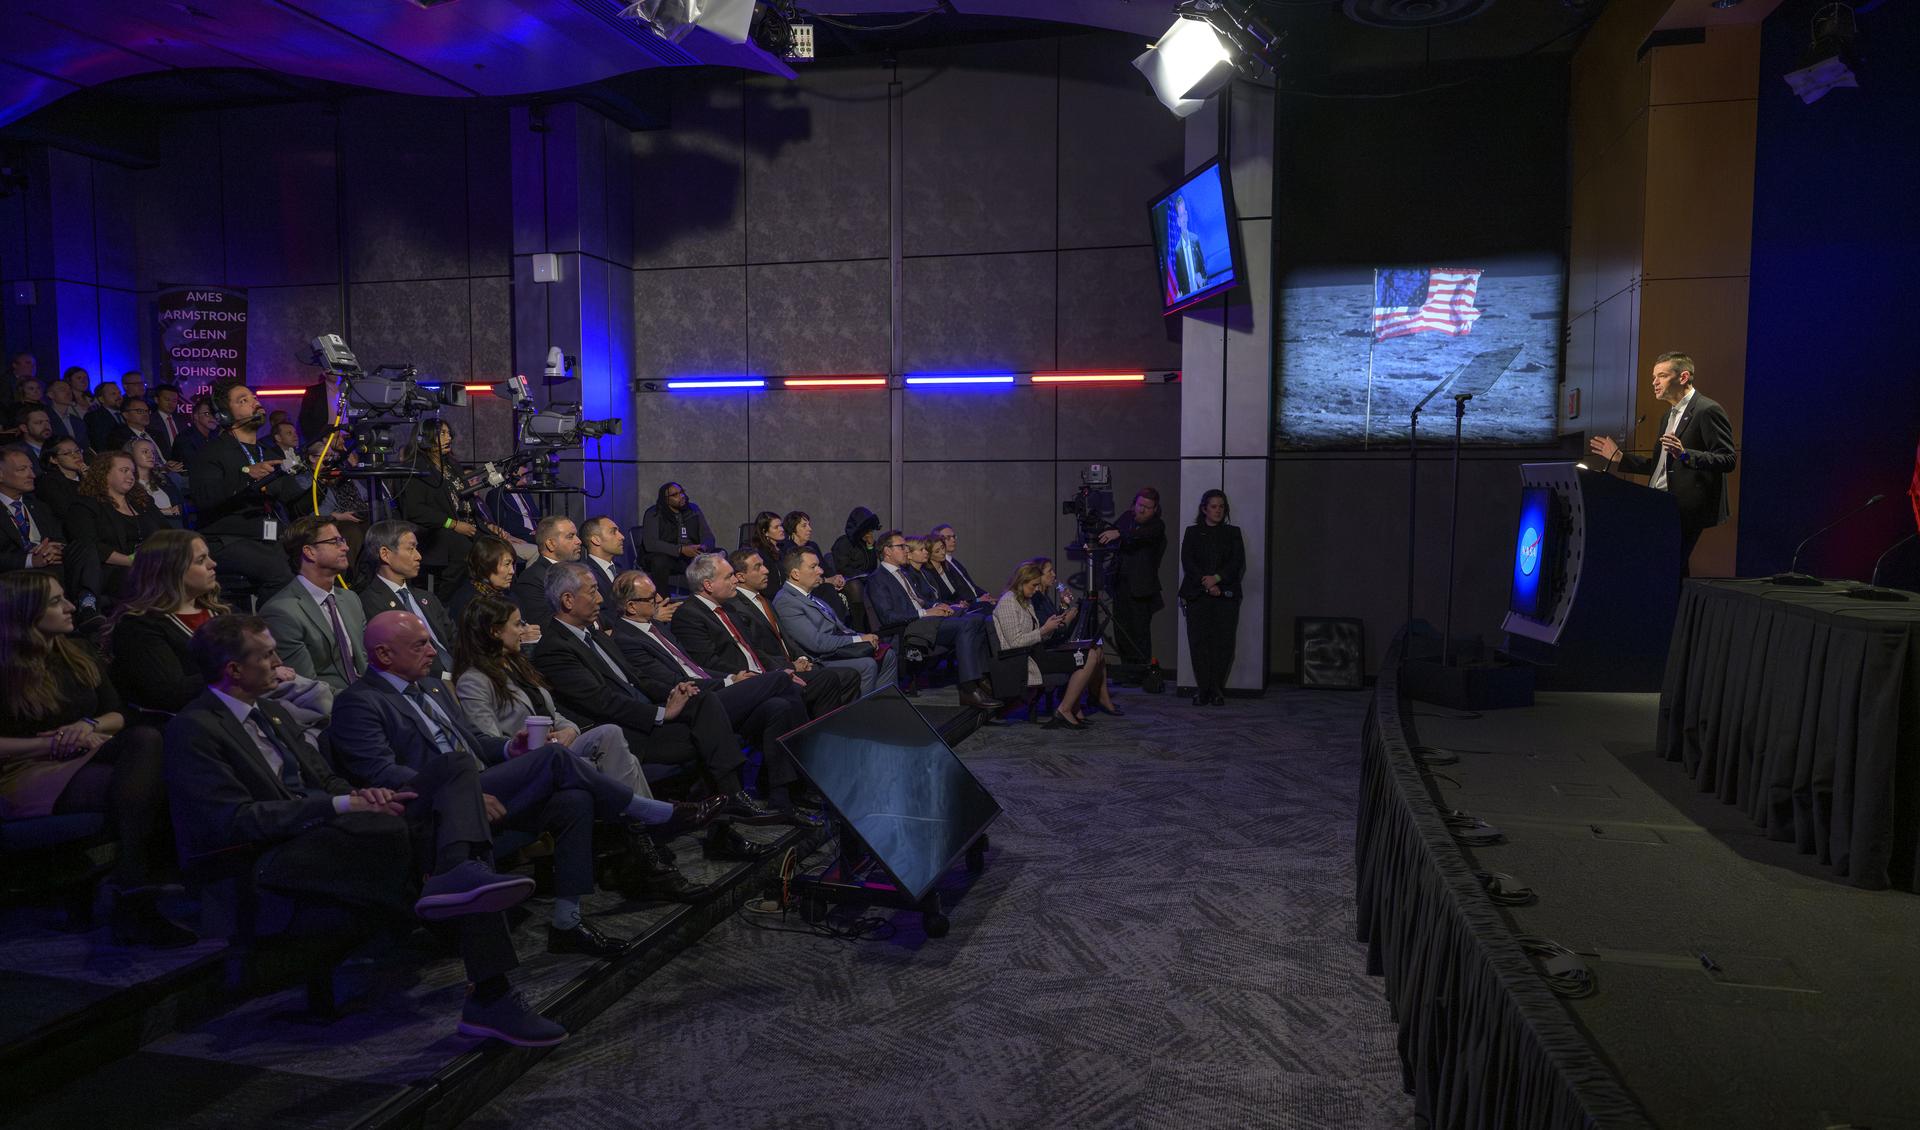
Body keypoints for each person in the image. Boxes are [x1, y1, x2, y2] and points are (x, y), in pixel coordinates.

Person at [165, 614, 566, 1046]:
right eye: (267, 655)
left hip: (331, 829)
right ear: (234, 670)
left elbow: (328, 779)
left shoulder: (272, 711)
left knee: (455, 769)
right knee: (438, 837)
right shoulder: (195, 729)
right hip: (268, 855)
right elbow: (234, 821)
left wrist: (370, 794)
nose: (279, 662)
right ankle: (490, 990)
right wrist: (340, 804)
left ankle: (457, 879)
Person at [334, 609, 720, 922]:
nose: (434, 651)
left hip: (483, 783)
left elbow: (475, 740)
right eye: (420, 645)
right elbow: (383, 773)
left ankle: (568, 921)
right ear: (384, 655)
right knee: (553, 757)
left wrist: (508, 751)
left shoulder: (433, 688)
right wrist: (461, 795)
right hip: (436, 807)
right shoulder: (360, 701)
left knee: (574, 799)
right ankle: (648, 812)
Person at [0, 572, 191, 947]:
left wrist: (88, 725)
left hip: (79, 755)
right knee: (149, 780)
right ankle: (133, 894)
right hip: (21, 772)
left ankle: (131, 888)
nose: (71, 607)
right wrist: (51, 743)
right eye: (56, 602)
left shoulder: (76, 651)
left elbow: (117, 713)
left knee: (151, 738)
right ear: (24, 613)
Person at [530, 562, 779, 824]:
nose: (600, 599)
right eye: (593, 591)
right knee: (713, 731)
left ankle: (728, 803)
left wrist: (678, 691)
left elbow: (641, 680)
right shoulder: (555, 648)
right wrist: (661, 712)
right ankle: (730, 801)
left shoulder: (596, 635)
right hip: (625, 732)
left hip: (646, 716)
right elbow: (603, 702)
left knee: (701, 701)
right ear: (568, 600)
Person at [606, 568, 811, 777]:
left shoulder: (656, 627)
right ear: (631, 606)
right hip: (697, 701)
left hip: (712, 688)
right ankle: (809, 776)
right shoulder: (627, 640)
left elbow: (696, 668)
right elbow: (674, 682)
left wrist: (729, 678)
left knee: (778, 706)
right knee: (781, 678)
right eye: (650, 598)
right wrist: (729, 682)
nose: (658, 599)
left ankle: (782, 794)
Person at [452, 594, 645, 792]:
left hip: (555, 747)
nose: (525, 630)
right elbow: (487, 740)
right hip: (526, 762)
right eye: (518, 625)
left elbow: (550, 713)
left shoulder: (517, 666)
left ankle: (640, 816)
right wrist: (517, 745)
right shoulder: (474, 680)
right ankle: (642, 816)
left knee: (611, 733)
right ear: (495, 632)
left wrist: (570, 730)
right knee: (623, 759)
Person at [1587, 351, 1738, 575]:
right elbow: (1661, 465)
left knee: (1669, 567)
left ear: (1683, 377)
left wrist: (1686, 454)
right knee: (1665, 568)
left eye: (1662, 376)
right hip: (1660, 504)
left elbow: (1728, 459)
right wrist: (1621, 458)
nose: (1654, 382)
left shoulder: (1707, 410)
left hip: (1686, 508)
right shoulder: (1667, 417)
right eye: (1654, 377)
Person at [186, 379, 309, 592]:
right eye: (243, 400)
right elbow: (204, 498)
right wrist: (247, 476)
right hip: (227, 540)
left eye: (254, 398)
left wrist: (322, 477)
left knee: (312, 565)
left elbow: (297, 503)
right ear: (225, 415)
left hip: (268, 538)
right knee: (280, 572)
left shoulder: (269, 453)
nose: (254, 403)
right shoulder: (210, 452)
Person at [864, 531, 1003, 710]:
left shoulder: (902, 573)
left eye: (906, 546)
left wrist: (940, 605)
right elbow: (888, 616)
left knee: (978, 618)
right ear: (887, 551)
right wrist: (925, 613)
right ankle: (969, 688)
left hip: (924, 622)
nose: (906, 550)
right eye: (902, 547)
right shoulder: (878, 578)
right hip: (909, 629)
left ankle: (981, 677)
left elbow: (918, 599)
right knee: (968, 623)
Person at [106, 530, 230, 715]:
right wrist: (235, 674)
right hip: (185, 723)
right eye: (201, 560)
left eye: (209, 557)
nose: (213, 564)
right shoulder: (138, 626)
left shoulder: (223, 613)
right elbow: (169, 692)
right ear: (171, 570)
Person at [724, 548, 861, 715]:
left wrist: (802, 658)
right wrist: (790, 666)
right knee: (833, 677)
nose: (766, 570)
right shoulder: (736, 607)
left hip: (796, 662)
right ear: (740, 577)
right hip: (775, 671)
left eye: (764, 565)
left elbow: (786, 638)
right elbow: (756, 650)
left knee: (850, 675)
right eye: (758, 567)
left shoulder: (764, 599)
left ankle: (842, 726)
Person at [993, 559, 1117, 728]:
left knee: (1091, 653)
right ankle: (1065, 709)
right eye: (1034, 585)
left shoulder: (1024, 600)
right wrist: (1045, 629)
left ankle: (1070, 707)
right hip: (1025, 659)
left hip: (1037, 652)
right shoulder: (1008, 601)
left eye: (1037, 585)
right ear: (1022, 582)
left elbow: (1038, 635)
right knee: (1090, 657)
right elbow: (1015, 642)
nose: (1036, 589)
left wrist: (1049, 627)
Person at [259, 516, 366, 693]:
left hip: (367, 697)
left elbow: (365, 662)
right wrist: (364, 703)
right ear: (309, 552)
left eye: (343, 540)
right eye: (335, 541)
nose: (346, 547)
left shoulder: (351, 599)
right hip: (330, 709)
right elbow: (307, 687)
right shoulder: (281, 612)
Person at [772, 548, 895, 696]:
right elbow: (816, 643)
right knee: (867, 665)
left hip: (836, 649)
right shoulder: (786, 601)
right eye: (813, 567)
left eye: (818, 565)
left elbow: (841, 629)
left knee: (887, 654)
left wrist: (864, 636)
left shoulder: (811, 597)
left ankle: (885, 706)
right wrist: (857, 639)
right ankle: (862, 713)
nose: (820, 571)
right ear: (795, 574)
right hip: (820, 659)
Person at [355, 520, 456, 680]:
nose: (419, 556)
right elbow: (397, 661)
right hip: (429, 682)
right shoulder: (368, 603)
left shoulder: (426, 597)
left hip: (458, 675)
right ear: (385, 554)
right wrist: (446, 677)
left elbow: (453, 639)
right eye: (411, 549)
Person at [70, 450, 168, 599]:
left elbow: (166, 530)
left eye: (132, 472)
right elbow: (91, 545)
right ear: (104, 473)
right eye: (124, 471)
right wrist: (131, 561)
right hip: (114, 569)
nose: (131, 477)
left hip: (152, 562)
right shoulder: (86, 506)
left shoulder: (142, 501)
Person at [395, 419, 478, 589]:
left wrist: (487, 525)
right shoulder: (414, 468)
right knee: (464, 550)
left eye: (449, 433)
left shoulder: (452, 465)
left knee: (497, 548)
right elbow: (415, 510)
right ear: (424, 438)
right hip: (434, 531)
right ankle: (443, 603)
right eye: (442, 433)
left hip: (464, 526)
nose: (449, 438)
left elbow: (467, 500)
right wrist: (452, 524)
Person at [1180, 489, 1244, 707]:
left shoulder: (1233, 533)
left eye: (1221, 506)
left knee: (1223, 643)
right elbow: (1188, 562)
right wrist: (1207, 584)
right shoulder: (1192, 532)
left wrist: (1217, 579)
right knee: (1199, 643)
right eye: (1214, 506)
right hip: (1198, 594)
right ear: (1204, 508)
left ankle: (1216, 688)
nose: (1218, 510)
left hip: (1225, 595)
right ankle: (1203, 688)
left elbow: (1236, 563)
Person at [1096, 487, 1167, 676]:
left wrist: (1119, 534)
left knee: (1139, 632)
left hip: (1141, 588)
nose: (1142, 510)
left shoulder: (1157, 526)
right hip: (1121, 586)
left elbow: (1138, 537)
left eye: (1148, 507)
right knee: (1122, 631)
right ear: (1133, 504)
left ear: (1155, 509)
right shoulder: (1127, 517)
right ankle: (1128, 671)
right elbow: (1112, 532)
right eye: (1140, 505)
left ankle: (1141, 672)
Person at [1, 445, 83, 598]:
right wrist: (31, 560)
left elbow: (58, 537)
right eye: (22, 469)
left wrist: (56, 549)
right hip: (16, 574)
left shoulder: (38, 506)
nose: (32, 475)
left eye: (31, 469)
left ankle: (88, 606)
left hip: (51, 563)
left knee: (85, 550)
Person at [639, 481, 715, 595]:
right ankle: (664, 601)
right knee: (659, 561)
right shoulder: (654, 513)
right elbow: (651, 543)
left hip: (691, 557)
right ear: (666, 499)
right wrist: (680, 550)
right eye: (675, 495)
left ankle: (711, 598)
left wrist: (703, 547)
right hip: (667, 557)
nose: (681, 496)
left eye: (682, 492)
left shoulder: (693, 509)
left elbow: (708, 536)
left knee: (720, 553)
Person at [510, 515, 581, 624]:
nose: (579, 541)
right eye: (570, 536)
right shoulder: (532, 579)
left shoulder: (580, 572)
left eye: (576, 535)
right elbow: (542, 624)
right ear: (551, 544)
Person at [783, 510, 850, 617]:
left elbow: (825, 568)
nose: (810, 529)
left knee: (848, 587)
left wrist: (836, 577)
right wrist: (826, 580)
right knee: (828, 590)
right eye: (804, 526)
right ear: (793, 529)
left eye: (809, 525)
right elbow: (801, 577)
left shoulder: (813, 546)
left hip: (820, 584)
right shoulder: (787, 549)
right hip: (805, 588)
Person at [449, 535, 519, 628]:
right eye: (507, 564)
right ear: (486, 566)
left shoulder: (509, 594)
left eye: (512, 564)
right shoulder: (468, 603)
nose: (512, 571)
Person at [928, 524, 994, 605]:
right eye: (948, 538)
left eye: (953, 536)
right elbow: (956, 593)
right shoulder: (940, 566)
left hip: (972, 602)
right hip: (966, 605)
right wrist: (977, 600)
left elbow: (971, 586)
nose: (953, 540)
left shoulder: (953, 562)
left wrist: (985, 595)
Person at [128, 437, 185, 526]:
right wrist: (161, 512)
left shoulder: (163, 479)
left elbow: (180, 501)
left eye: (153, 452)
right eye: (145, 452)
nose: (151, 455)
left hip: (175, 527)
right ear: (131, 455)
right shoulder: (129, 484)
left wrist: (179, 508)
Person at [580, 515, 626, 626]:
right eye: (613, 532)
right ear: (596, 540)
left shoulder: (621, 570)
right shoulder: (585, 575)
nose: (622, 537)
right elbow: (599, 616)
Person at [1165, 193, 1209, 301]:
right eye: (1180, 216)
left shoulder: (1196, 239)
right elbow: (1180, 280)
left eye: (1184, 214)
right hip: (1188, 299)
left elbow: (1204, 272)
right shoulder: (1177, 250)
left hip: (1202, 294)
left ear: (1187, 216)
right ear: (1178, 222)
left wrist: (1202, 280)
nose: (1183, 219)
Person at [105, 396, 171, 461]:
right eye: (140, 411)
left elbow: (168, 457)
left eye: (147, 411)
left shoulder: (157, 434)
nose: (145, 414)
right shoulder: (119, 438)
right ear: (126, 415)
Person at [36, 437, 88, 511]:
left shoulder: (88, 475)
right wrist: (87, 483)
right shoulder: (49, 483)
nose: (76, 456)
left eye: (77, 451)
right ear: (54, 459)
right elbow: (70, 510)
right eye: (67, 453)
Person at [170, 396, 220, 467]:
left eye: (214, 413)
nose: (213, 417)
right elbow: (196, 465)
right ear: (195, 416)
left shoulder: (218, 434)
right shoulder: (185, 438)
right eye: (207, 414)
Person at [44, 379, 91, 452]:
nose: (68, 393)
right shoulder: (45, 418)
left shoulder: (77, 421)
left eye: (70, 390)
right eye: (62, 390)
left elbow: (85, 447)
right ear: (51, 395)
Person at [296, 368, 337, 449]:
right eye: (333, 371)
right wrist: (313, 437)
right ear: (325, 373)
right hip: (322, 436)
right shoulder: (314, 391)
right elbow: (304, 417)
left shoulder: (349, 389)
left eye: (339, 370)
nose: (337, 374)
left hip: (347, 435)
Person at [83, 380, 125, 452]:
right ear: (101, 399)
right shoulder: (94, 417)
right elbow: (100, 443)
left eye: (119, 393)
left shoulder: (127, 413)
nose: (119, 397)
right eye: (113, 394)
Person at [150, 383, 186, 456]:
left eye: (174, 401)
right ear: (156, 400)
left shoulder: (182, 420)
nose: (171, 404)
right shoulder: (150, 421)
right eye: (167, 400)